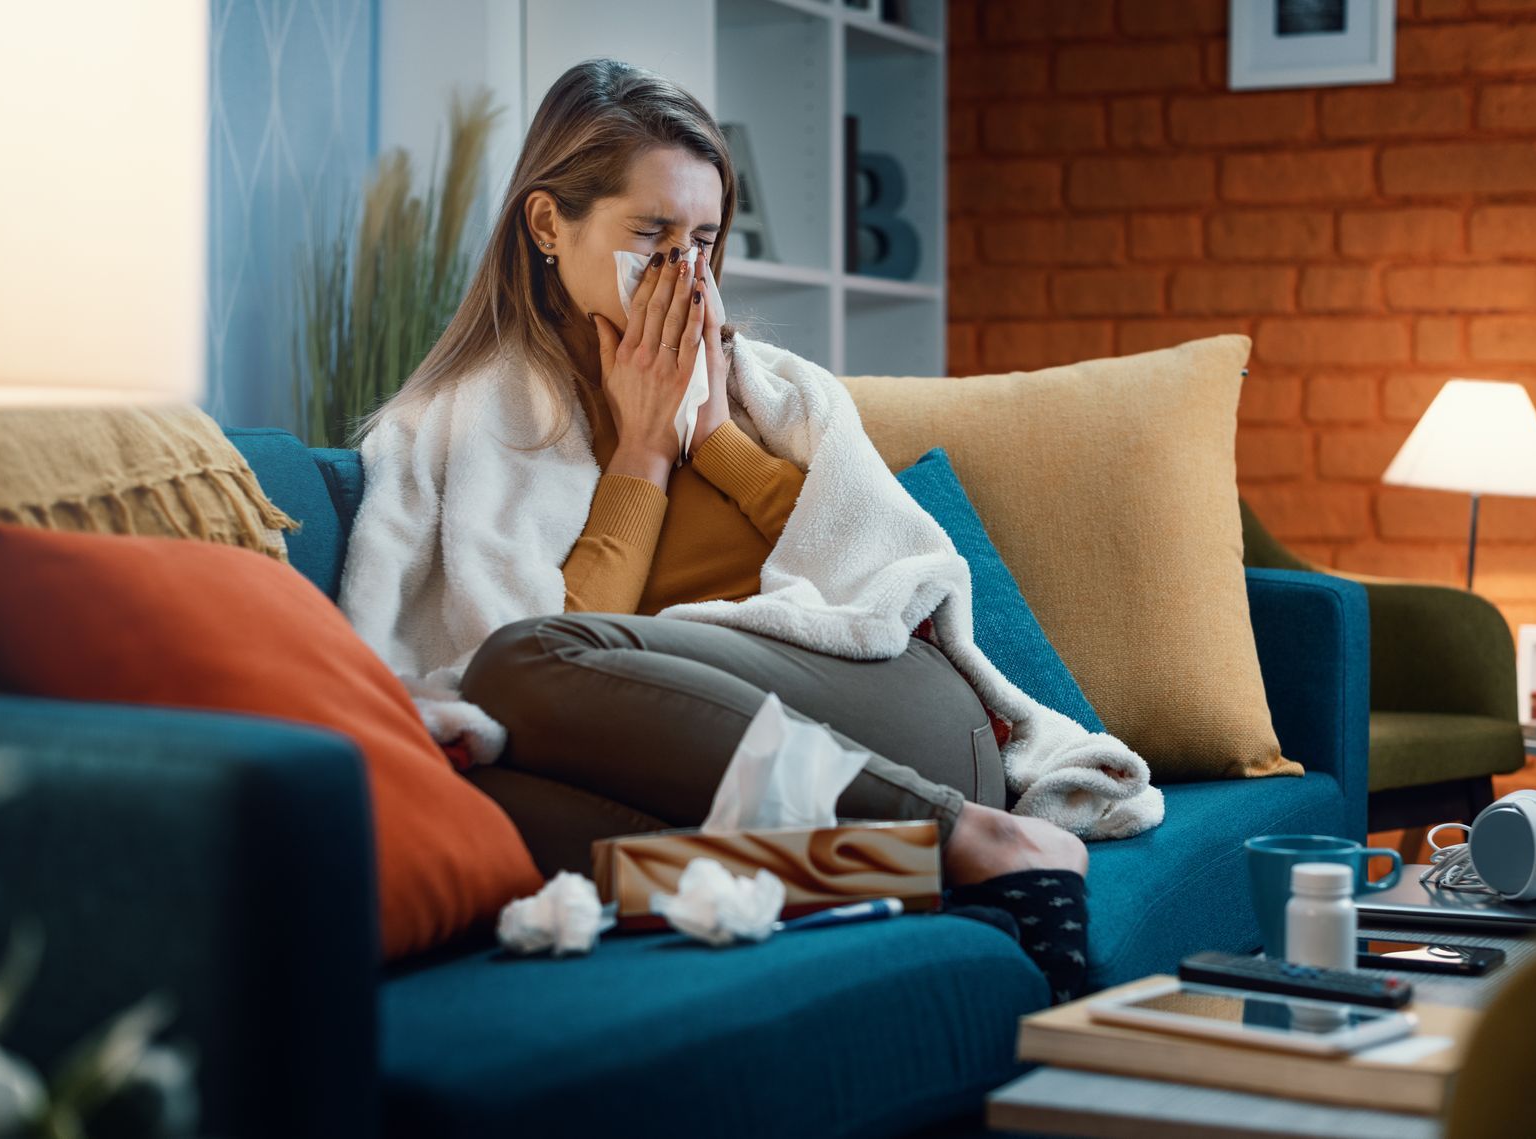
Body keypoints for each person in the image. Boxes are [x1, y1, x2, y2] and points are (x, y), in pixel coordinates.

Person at [339, 59, 1162, 999]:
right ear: (546, 225)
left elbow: (892, 577)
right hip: (707, 776)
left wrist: (716, 440)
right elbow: (528, 681)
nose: (686, 271)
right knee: (485, 810)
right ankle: (908, 873)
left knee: (520, 665)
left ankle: (974, 834)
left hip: (905, 722)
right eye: (651, 234)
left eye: (704, 238)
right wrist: (640, 457)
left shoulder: (775, 394)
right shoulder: (467, 426)